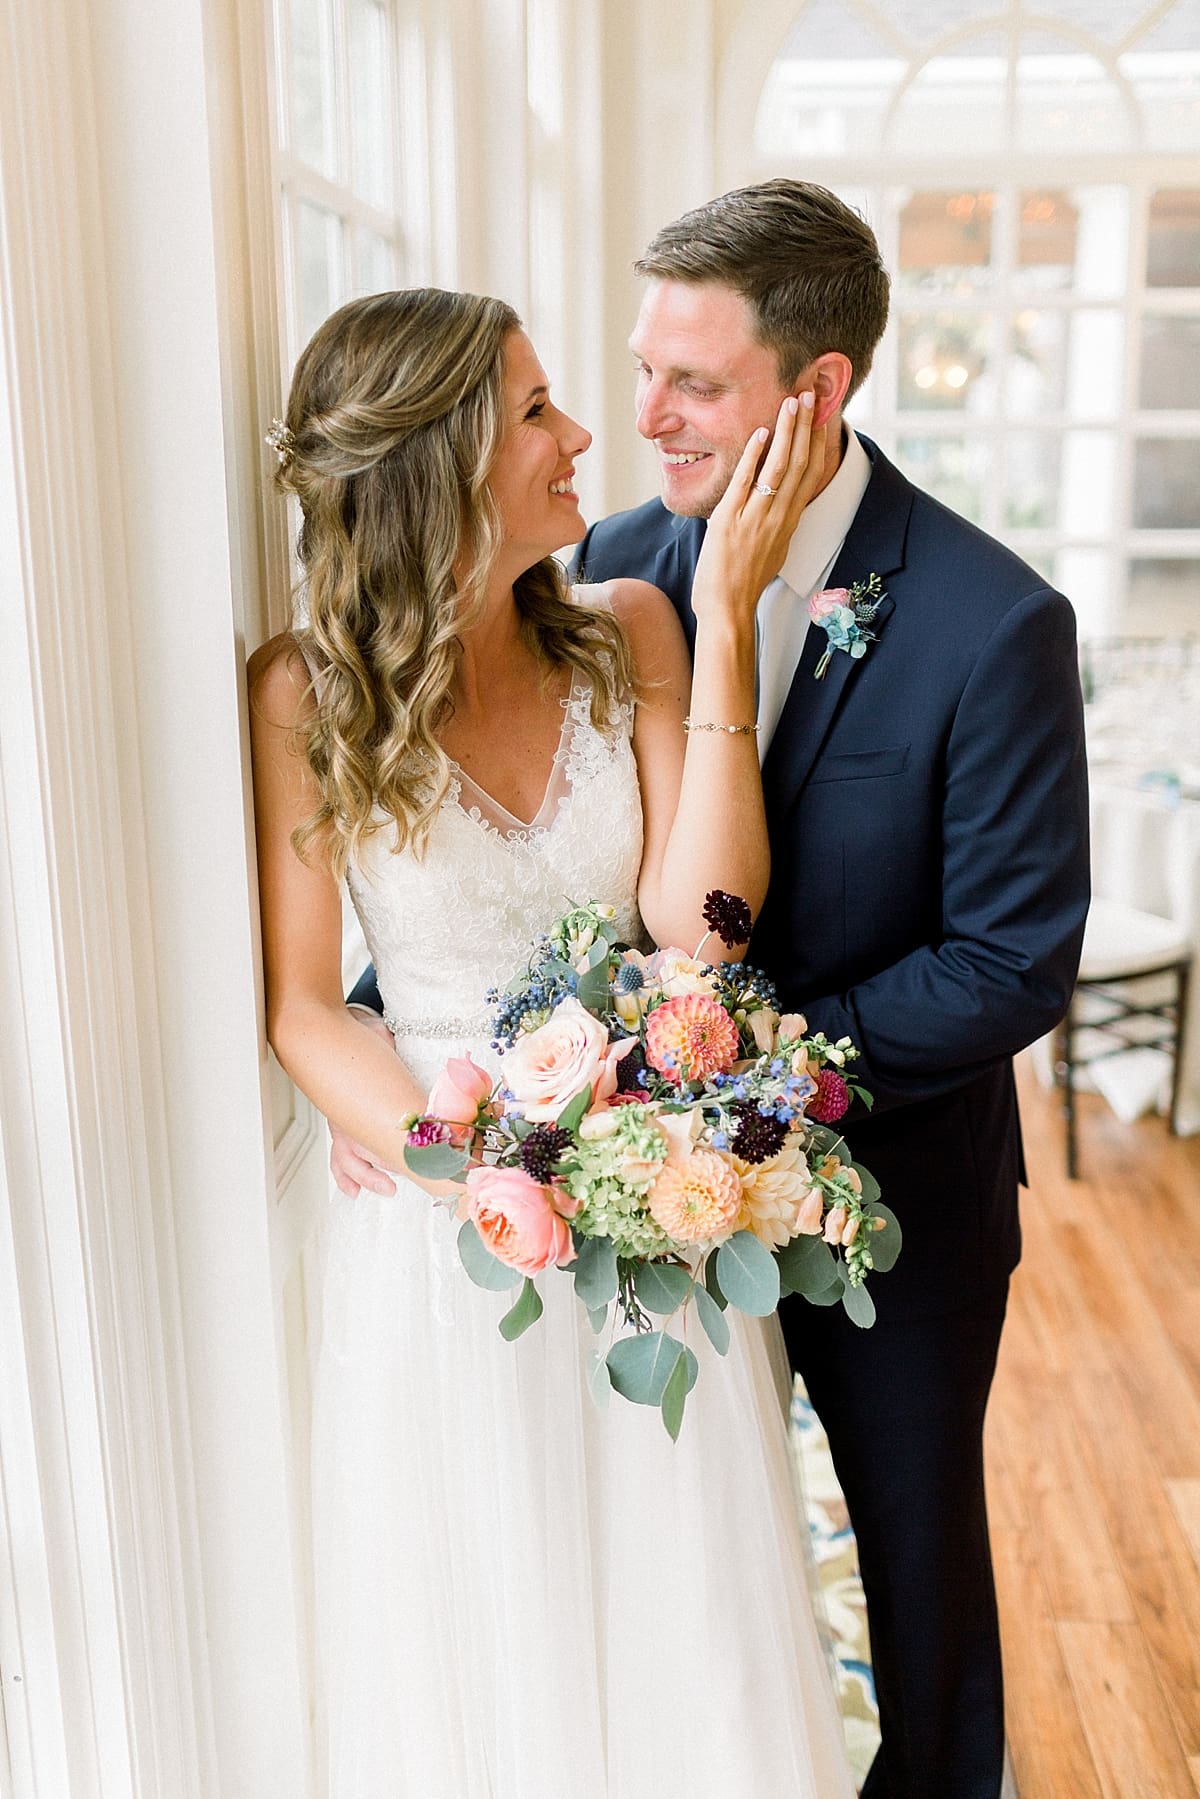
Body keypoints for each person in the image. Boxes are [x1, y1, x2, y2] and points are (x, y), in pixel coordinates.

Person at [339, 181, 1091, 1798]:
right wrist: (379, 1020)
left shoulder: (994, 622)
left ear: (816, 390)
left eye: (694, 382)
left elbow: (1010, 958)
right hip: (631, 1195)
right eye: (639, 369)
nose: (645, 417)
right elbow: (496, 824)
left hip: (888, 1192)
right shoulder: (611, 566)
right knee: (685, 1569)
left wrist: (737, 1082)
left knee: (916, 1569)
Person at [248, 286, 856, 1798]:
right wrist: (469, 1167)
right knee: (481, 1617)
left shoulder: (630, 629)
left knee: (676, 1608)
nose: (584, 433)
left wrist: (726, 622)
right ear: (439, 461)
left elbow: (703, 929)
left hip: (650, 1202)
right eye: (534, 411)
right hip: (450, 1238)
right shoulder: (305, 696)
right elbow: (305, 1004)